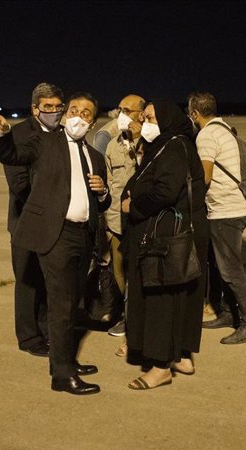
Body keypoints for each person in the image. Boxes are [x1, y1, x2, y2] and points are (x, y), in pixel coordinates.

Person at [0, 90, 111, 395]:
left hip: (83, 237)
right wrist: (3, 134)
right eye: (74, 110)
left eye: (86, 113)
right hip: (57, 235)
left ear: (93, 121)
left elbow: (101, 205)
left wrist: (103, 192)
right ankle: (62, 374)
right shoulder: (45, 143)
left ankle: (65, 358)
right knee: (60, 305)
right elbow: (12, 156)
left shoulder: (95, 156)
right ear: (64, 114)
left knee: (72, 303)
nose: (78, 117)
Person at [121, 98, 208, 390]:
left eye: (150, 118)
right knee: (182, 295)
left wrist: (133, 205)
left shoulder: (172, 146)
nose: (145, 123)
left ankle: (160, 367)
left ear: (168, 119)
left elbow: (164, 192)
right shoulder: (173, 143)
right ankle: (181, 355)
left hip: (167, 237)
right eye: (144, 118)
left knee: (162, 298)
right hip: (182, 232)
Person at [188, 92, 246, 345]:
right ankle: (229, 314)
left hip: (225, 211)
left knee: (231, 271)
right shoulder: (225, 128)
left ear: (194, 113)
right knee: (219, 266)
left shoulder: (206, 135)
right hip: (233, 208)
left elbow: (205, 178)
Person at [3, 83, 64, 357]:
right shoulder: (19, 134)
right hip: (26, 221)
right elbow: (18, 183)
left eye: (57, 107)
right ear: (34, 108)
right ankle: (29, 337)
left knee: (47, 280)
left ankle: (47, 331)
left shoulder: (61, 133)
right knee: (28, 281)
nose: (53, 112)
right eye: (47, 107)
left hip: (55, 223)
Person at [103, 94, 145, 349]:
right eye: (120, 110)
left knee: (140, 272)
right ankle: (127, 315)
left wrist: (141, 140)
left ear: (141, 113)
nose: (123, 115)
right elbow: (109, 184)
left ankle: (138, 319)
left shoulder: (153, 142)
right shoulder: (112, 145)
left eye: (128, 110)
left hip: (142, 222)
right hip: (116, 222)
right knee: (120, 272)